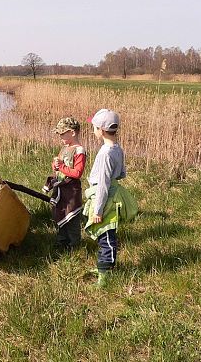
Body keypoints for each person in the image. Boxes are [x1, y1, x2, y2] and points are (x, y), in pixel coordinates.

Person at [83, 109, 137, 287]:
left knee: (106, 235)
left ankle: (105, 275)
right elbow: (121, 173)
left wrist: (98, 210)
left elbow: (104, 184)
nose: (93, 131)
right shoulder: (117, 148)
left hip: (104, 198)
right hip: (113, 194)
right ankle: (103, 268)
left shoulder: (105, 153)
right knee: (105, 233)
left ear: (102, 130)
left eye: (94, 128)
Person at [44, 117, 87, 250]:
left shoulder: (79, 150)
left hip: (71, 190)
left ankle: (73, 244)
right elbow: (58, 166)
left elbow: (77, 173)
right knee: (60, 212)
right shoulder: (64, 148)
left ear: (72, 133)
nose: (60, 137)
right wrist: (55, 165)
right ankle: (61, 240)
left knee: (72, 216)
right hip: (60, 189)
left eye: (62, 134)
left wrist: (61, 166)